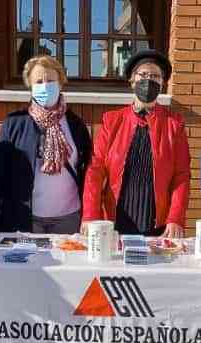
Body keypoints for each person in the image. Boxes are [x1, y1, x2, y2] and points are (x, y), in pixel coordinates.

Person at [81, 49, 190, 238]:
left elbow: (181, 176)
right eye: (143, 74)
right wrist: (90, 215)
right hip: (116, 219)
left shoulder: (174, 124)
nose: (149, 80)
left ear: (163, 83)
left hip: (158, 223)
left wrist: (175, 218)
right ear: (132, 80)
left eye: (155, 76)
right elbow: (95, 170)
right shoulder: (112, 120)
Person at [0, 55, 92, 233]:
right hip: (25, 218)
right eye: (39, 81)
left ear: (60, 83)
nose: (45, 85)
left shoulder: (76, 124)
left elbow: (88, 169)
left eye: (50, 80)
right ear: (30, 86)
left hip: (69, 217)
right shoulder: (15, 124)